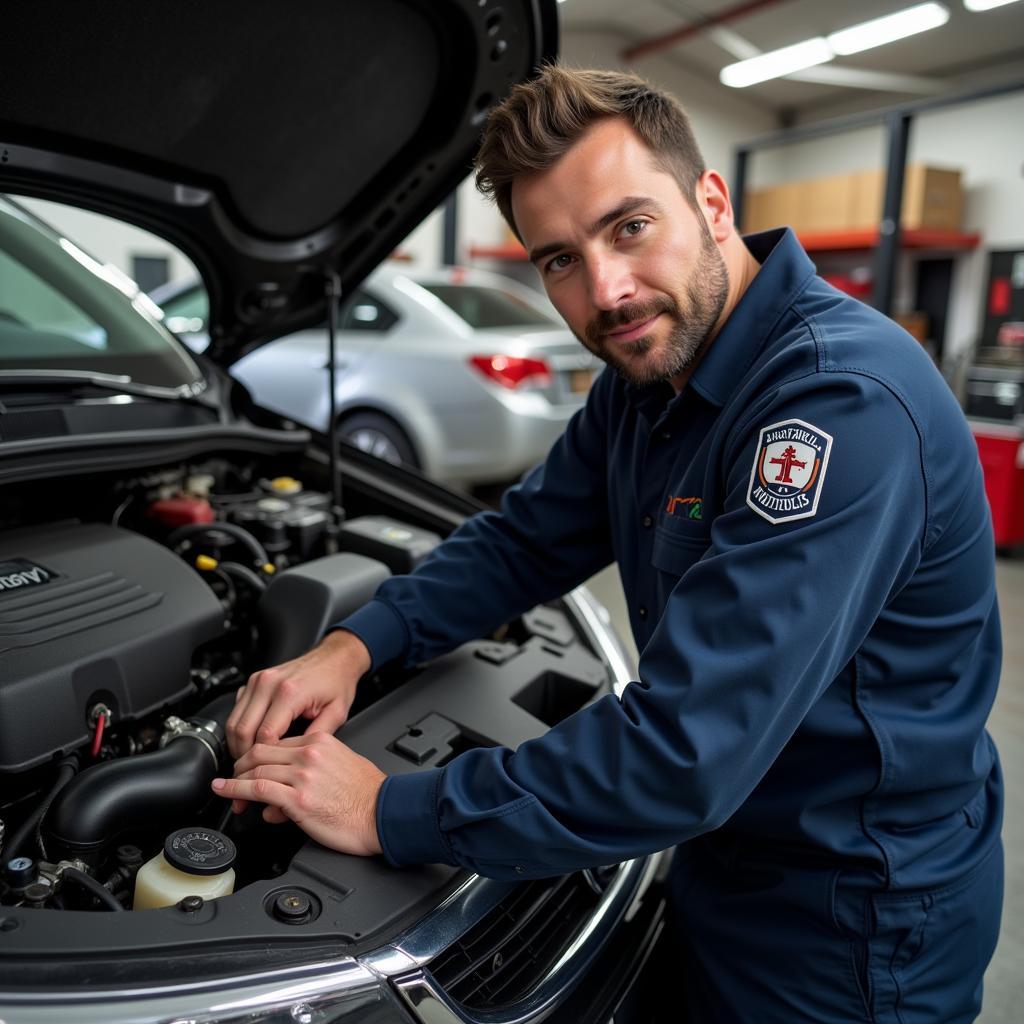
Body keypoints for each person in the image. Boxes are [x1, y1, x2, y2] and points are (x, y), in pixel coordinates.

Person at [212, 66, 1003, 1023]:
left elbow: (681, 755)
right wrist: (357, 644)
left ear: (711, 203)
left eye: (630, 227)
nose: (608, 291)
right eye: (559, 259)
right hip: (727, 860)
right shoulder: (651, 382)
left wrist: (388, 810)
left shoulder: (837, 406)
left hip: (849, 917)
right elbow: (521, 540)